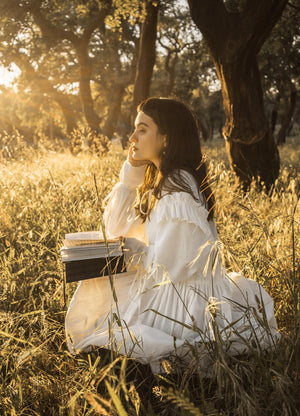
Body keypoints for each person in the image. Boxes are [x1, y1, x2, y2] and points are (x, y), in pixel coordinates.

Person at [65, 97, 279, 373]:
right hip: (165, 286)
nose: (132, 137)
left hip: (181, 301)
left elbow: (172, 268)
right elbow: (114, 230)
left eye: (142, 129)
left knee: (109, 321)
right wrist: (131, 177)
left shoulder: (178, 187)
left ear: (166, 138)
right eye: (134, 129)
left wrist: (131, 248)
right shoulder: (162, 179)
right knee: (100, 289)